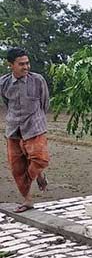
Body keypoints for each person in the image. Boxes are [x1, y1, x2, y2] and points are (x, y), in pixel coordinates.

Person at [0, 48, 50, 212]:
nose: (26, 67)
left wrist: (38, 118)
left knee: (40, 159)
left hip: (35, 125)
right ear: (11, 65)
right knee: (17, 168)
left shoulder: (37, 80)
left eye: (27, 63)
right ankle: (28, 201)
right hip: (13, 127)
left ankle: (36, 175)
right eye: (21, 64)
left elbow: (45, 102)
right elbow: (7, 103)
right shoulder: (4, 83)